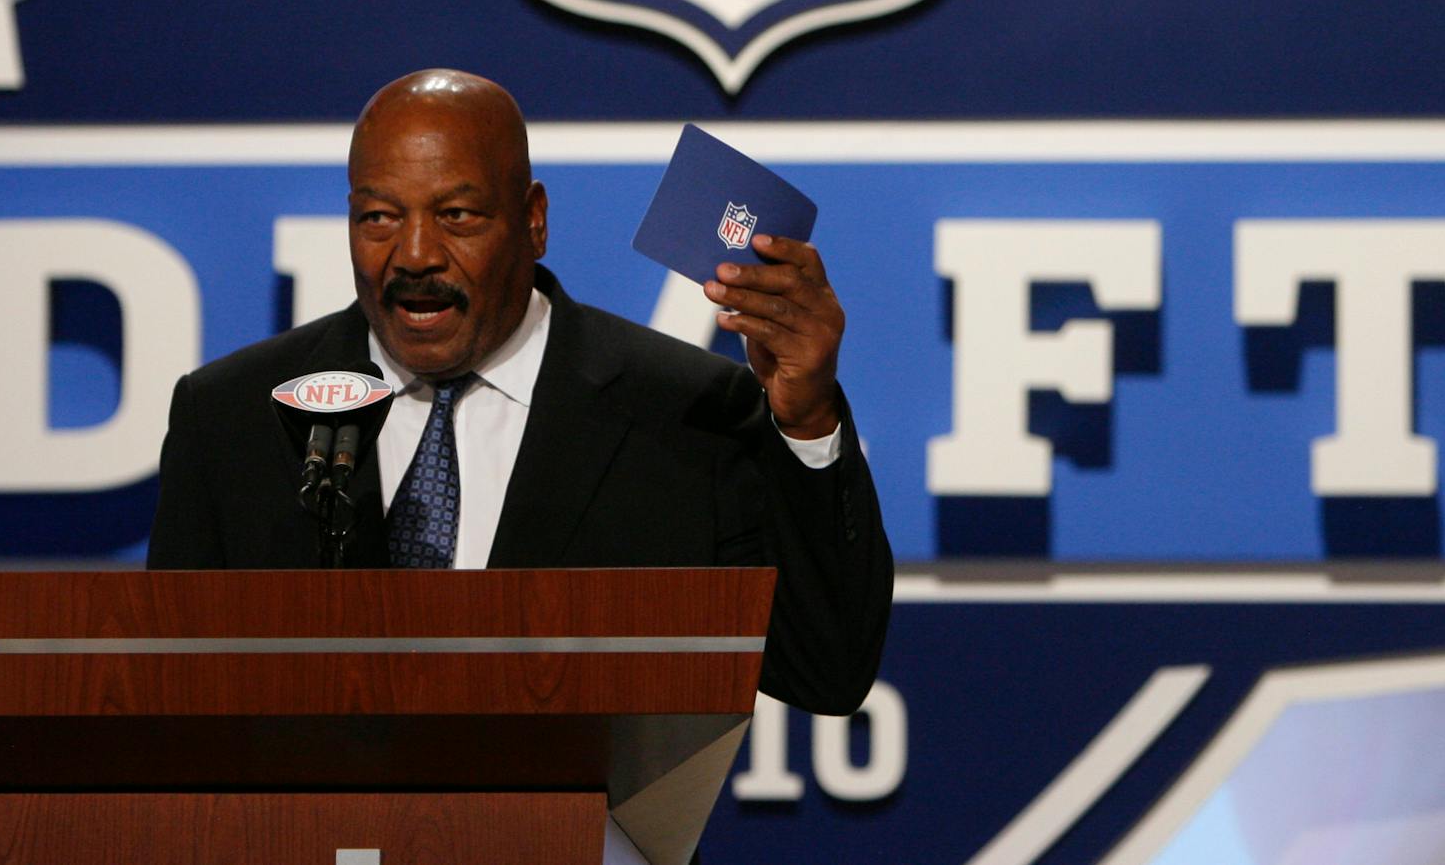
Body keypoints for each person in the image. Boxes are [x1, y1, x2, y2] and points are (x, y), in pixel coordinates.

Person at [147, 69, 892, 716]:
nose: (413, 255)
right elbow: (170, 707)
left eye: (456, 215)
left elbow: (824, 671)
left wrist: (806, 420)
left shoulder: (684, 411)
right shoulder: (235, 416)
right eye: (378, 217)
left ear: (533, 220)